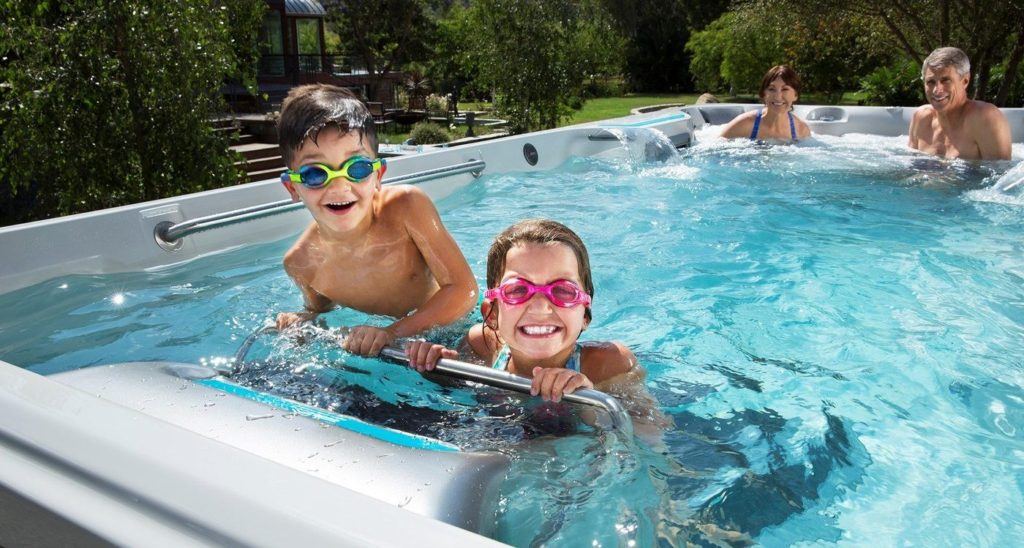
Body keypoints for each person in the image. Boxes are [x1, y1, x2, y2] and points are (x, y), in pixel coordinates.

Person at [404, 219, 666, 436]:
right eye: (517, 290)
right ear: (491, 314)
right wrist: (434, 368)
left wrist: (589, 402)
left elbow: (652, 438)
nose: (540, 308)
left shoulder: (609, 365)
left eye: (563, 291)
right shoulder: (480, 347)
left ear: (585, 314)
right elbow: (456, 395)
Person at [275, 84, 477, 356]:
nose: (339, 187)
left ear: (378, 175)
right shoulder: (300, 264)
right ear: (292, 188)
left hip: (446, 337)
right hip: (382, 353)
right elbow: (321, 313)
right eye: (315, 174)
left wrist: (391, 334)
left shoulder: (407, 208)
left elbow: (464, 290)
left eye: (356, 168)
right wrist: (303, 321)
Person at [908, 47, 1011, 160]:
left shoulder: (984, 118)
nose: (936, 90)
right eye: (930, 82)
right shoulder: (921, 118)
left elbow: (1002, 173)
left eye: (945, 80)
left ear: (965, 81)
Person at [719, 65, 812, 142]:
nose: (778, 96)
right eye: (771, 89)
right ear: (763, 94)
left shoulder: (801, 131)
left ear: (795, 95)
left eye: (785, 89)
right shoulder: (744, 124)